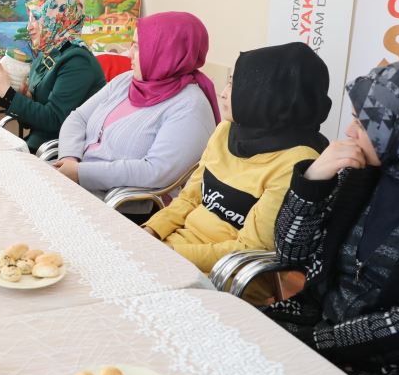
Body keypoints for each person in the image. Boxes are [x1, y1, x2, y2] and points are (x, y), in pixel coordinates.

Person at [263, 60, 399, 375]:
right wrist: (312, 182)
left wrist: (313, 345)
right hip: (313, 330)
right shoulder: (365, 171)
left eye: (363, 122)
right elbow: (290, 253)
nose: (350, 131)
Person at [142, 43, 332, 304]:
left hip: (227, 275)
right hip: (176, 252)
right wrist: (151, 232)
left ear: (266, 93)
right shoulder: (228, 131)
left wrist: (169, 252)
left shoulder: (297, 161)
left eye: (234, 85)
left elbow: (249, 249)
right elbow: (189, 199)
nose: (222, 94)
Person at [53, 11, 220, 202]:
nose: (130, 53)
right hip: (78, 186)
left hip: (123, 206)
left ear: (166, 51)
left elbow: (155, 172)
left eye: (139, 46)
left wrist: (81, 173)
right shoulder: (126, 81)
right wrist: (69, 158)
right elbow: (78, 118)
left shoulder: (190, 106)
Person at [0, 0, 106, 152]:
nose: (29, 27)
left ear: (57, 19)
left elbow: (54, 120)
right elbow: (33, 120)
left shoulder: (78, 61)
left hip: (59, 151)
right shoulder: (47, 53)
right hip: (39, 143)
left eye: (36, 19)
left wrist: (8, 94)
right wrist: (23, 95)